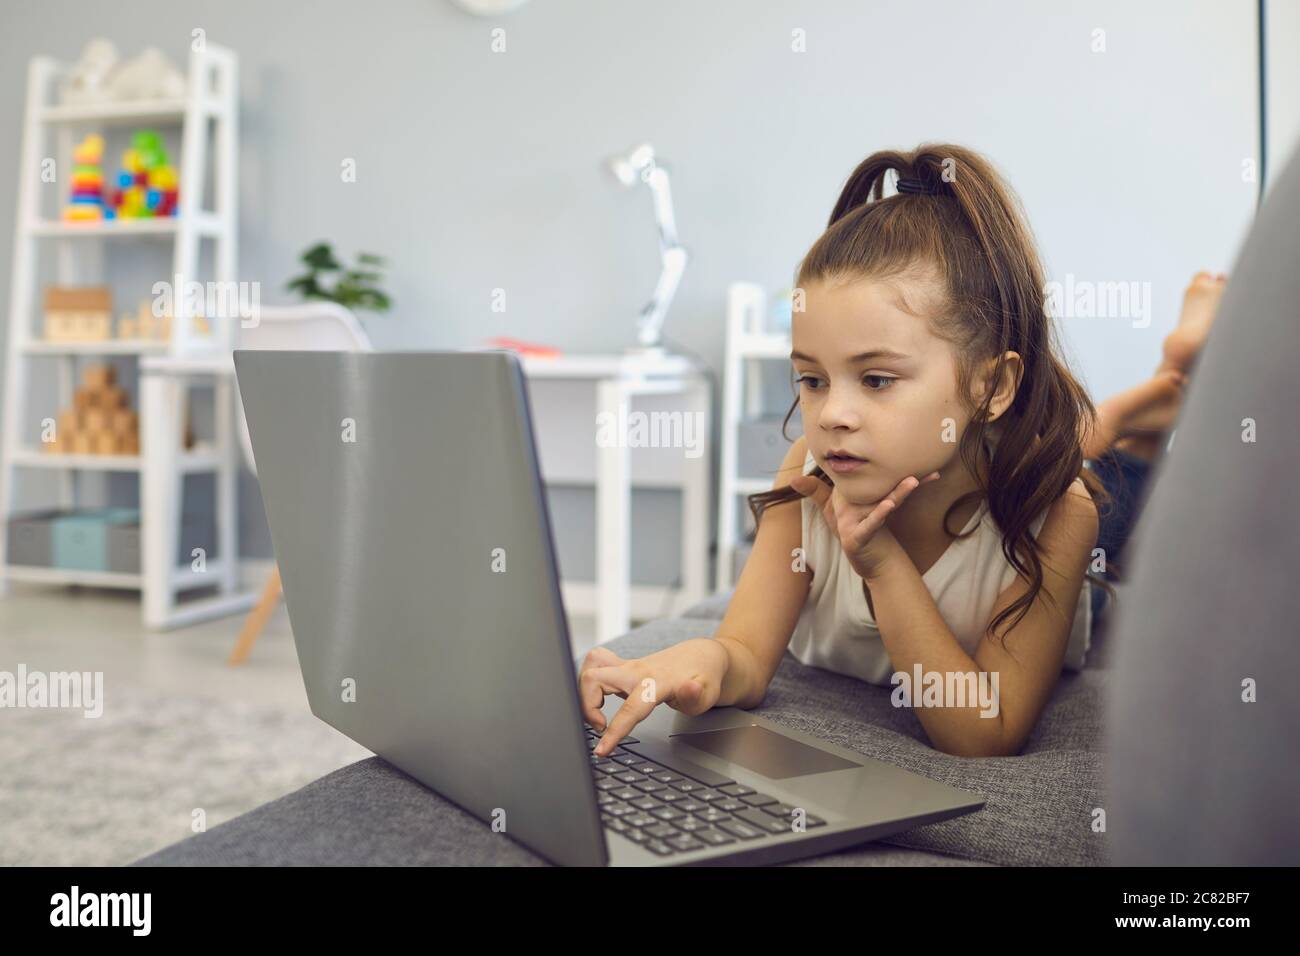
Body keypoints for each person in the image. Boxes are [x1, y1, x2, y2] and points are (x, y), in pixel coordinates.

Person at [579, 143, 1221, 758]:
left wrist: (882, 562)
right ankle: (1147, 403)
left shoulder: (1056, 514)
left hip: (1024, 490)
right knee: (1051, 444)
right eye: (812, 378)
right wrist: (697, 665)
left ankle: (1146, 412)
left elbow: (987, 733)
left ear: (992, 384)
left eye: (878, 380)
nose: (831, 415)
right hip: (988, 441)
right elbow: (744, 653)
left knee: (1090, 475)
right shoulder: (808, 472)